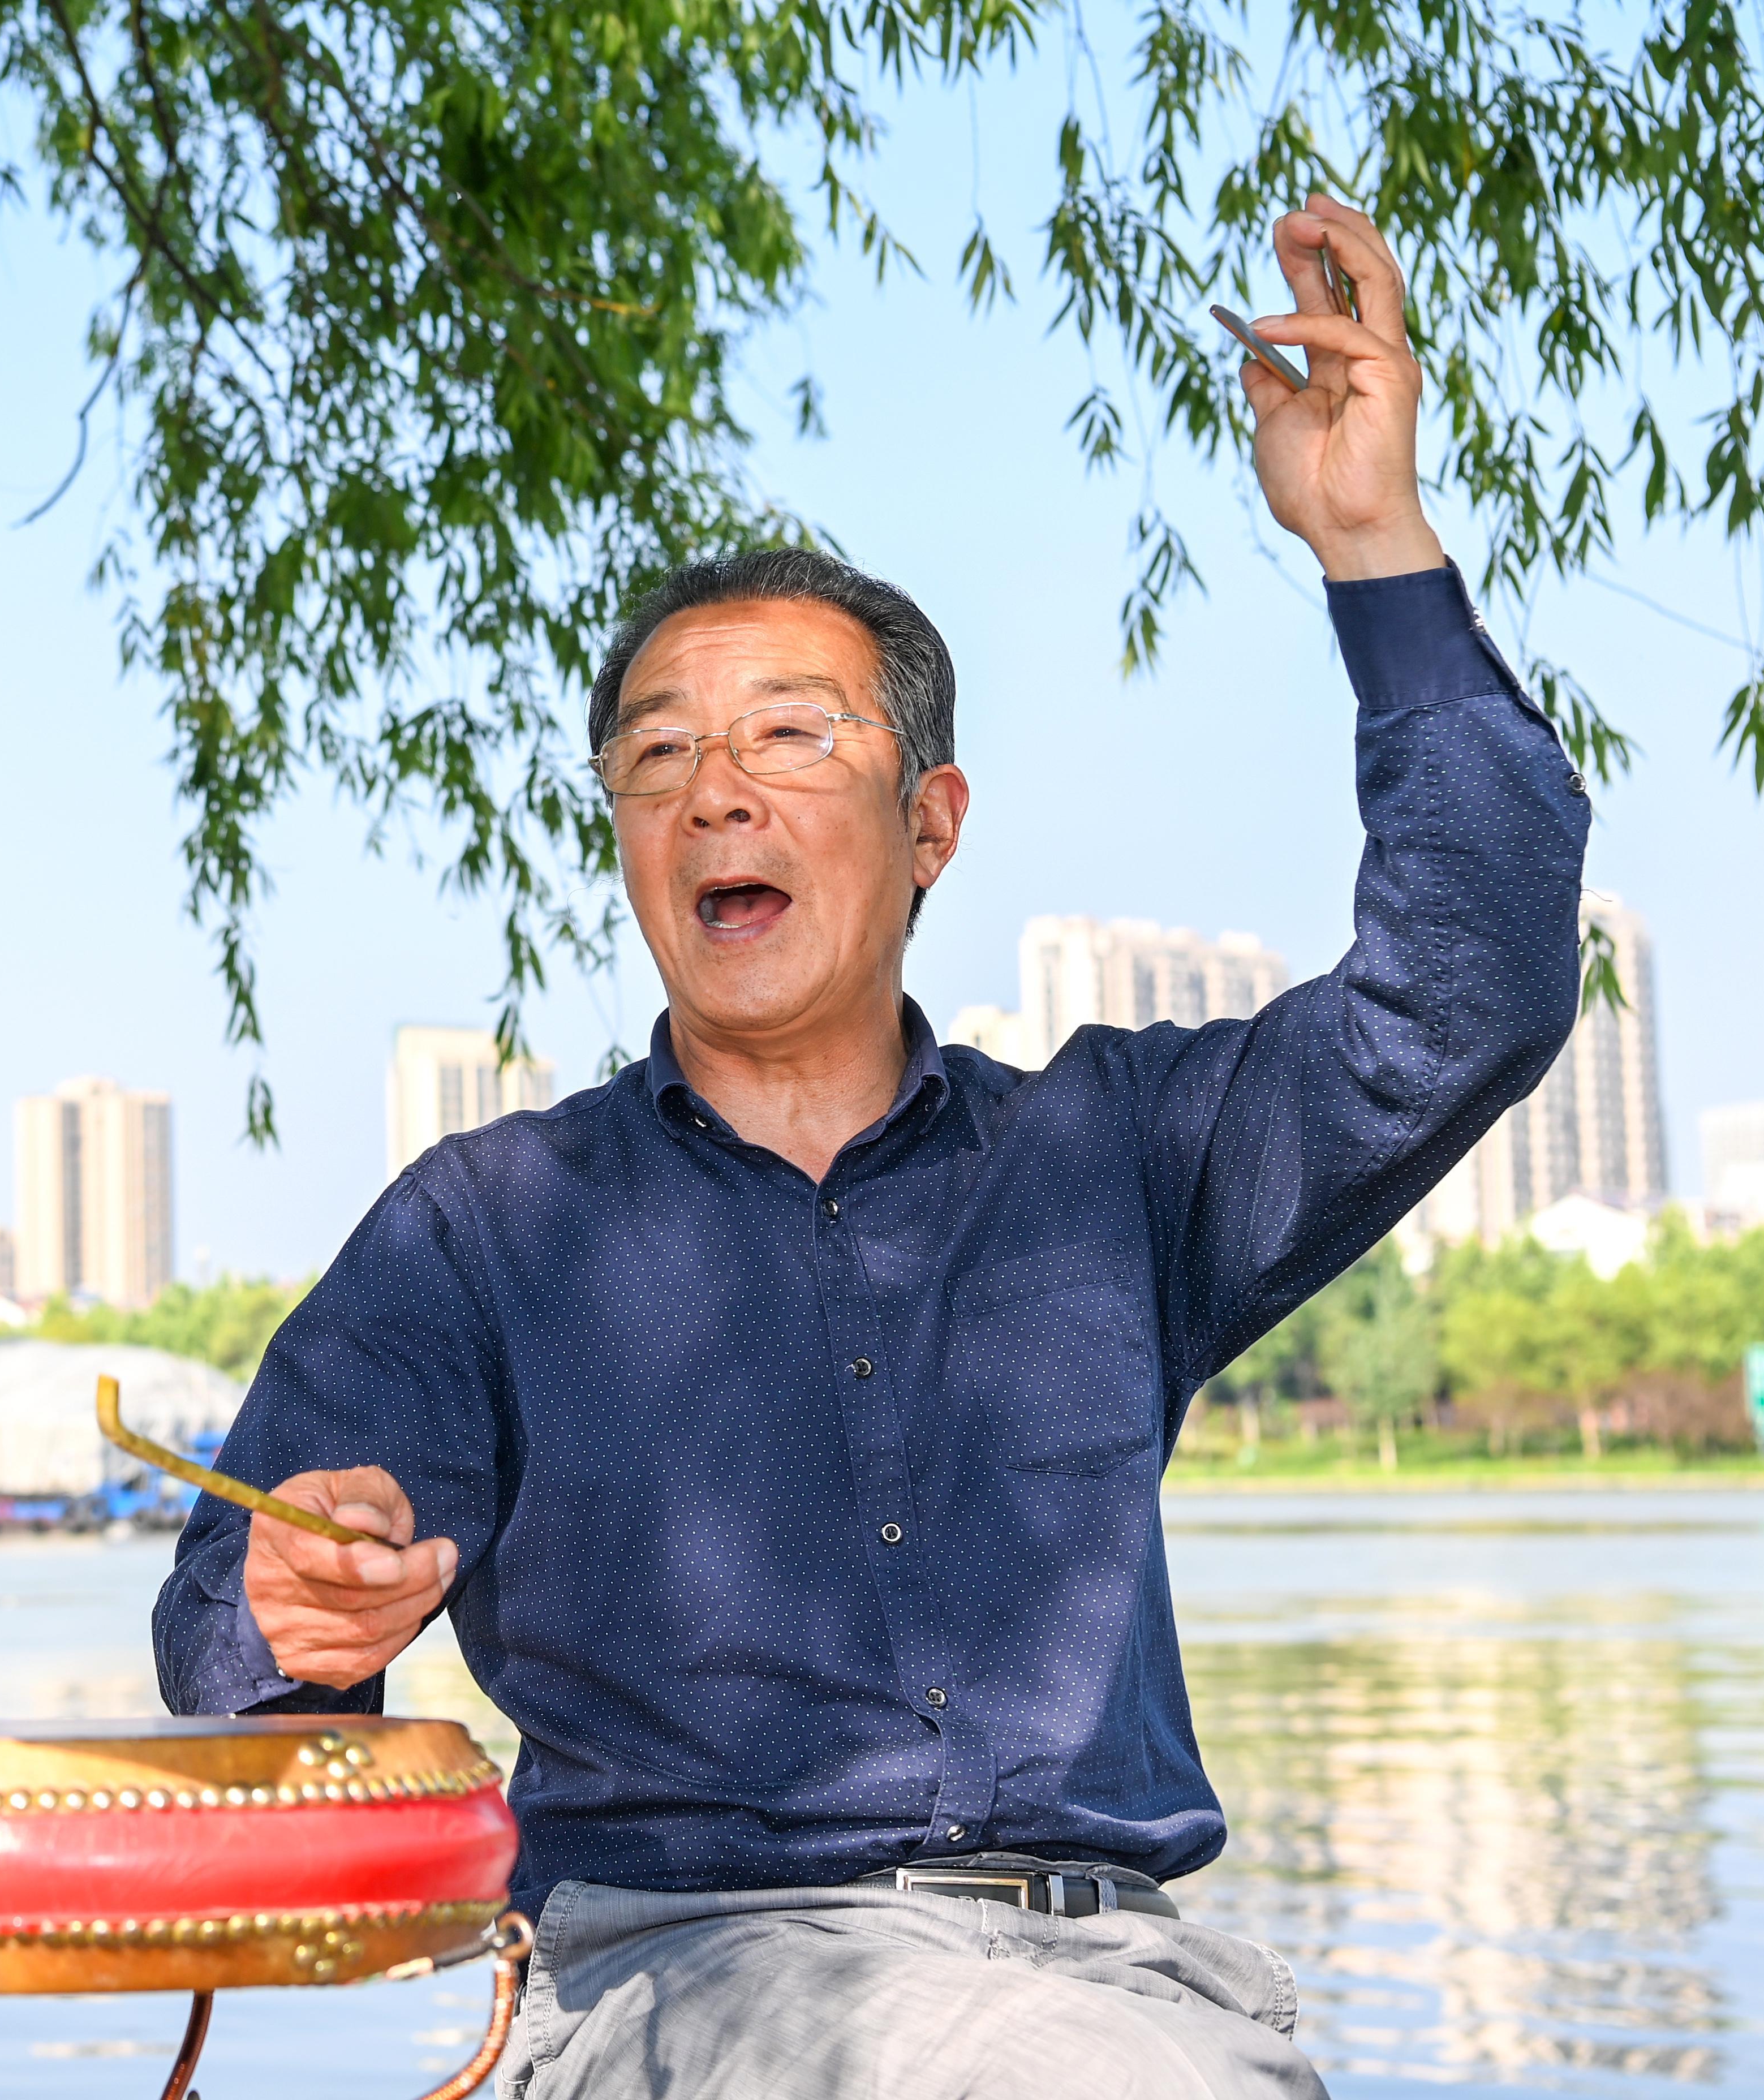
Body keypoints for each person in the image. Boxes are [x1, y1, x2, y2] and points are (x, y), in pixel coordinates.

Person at [153, 195, 1588, 2097]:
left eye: (787, 737)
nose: (713, 791)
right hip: (684, 1989)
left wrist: (1373, 545)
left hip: (1133, 1986)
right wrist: (299, 1605)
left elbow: (1475, 994)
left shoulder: (1120, 1159)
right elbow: (233, 1647)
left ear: (932, 825)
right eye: (657, 756)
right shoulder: (486, 1233)